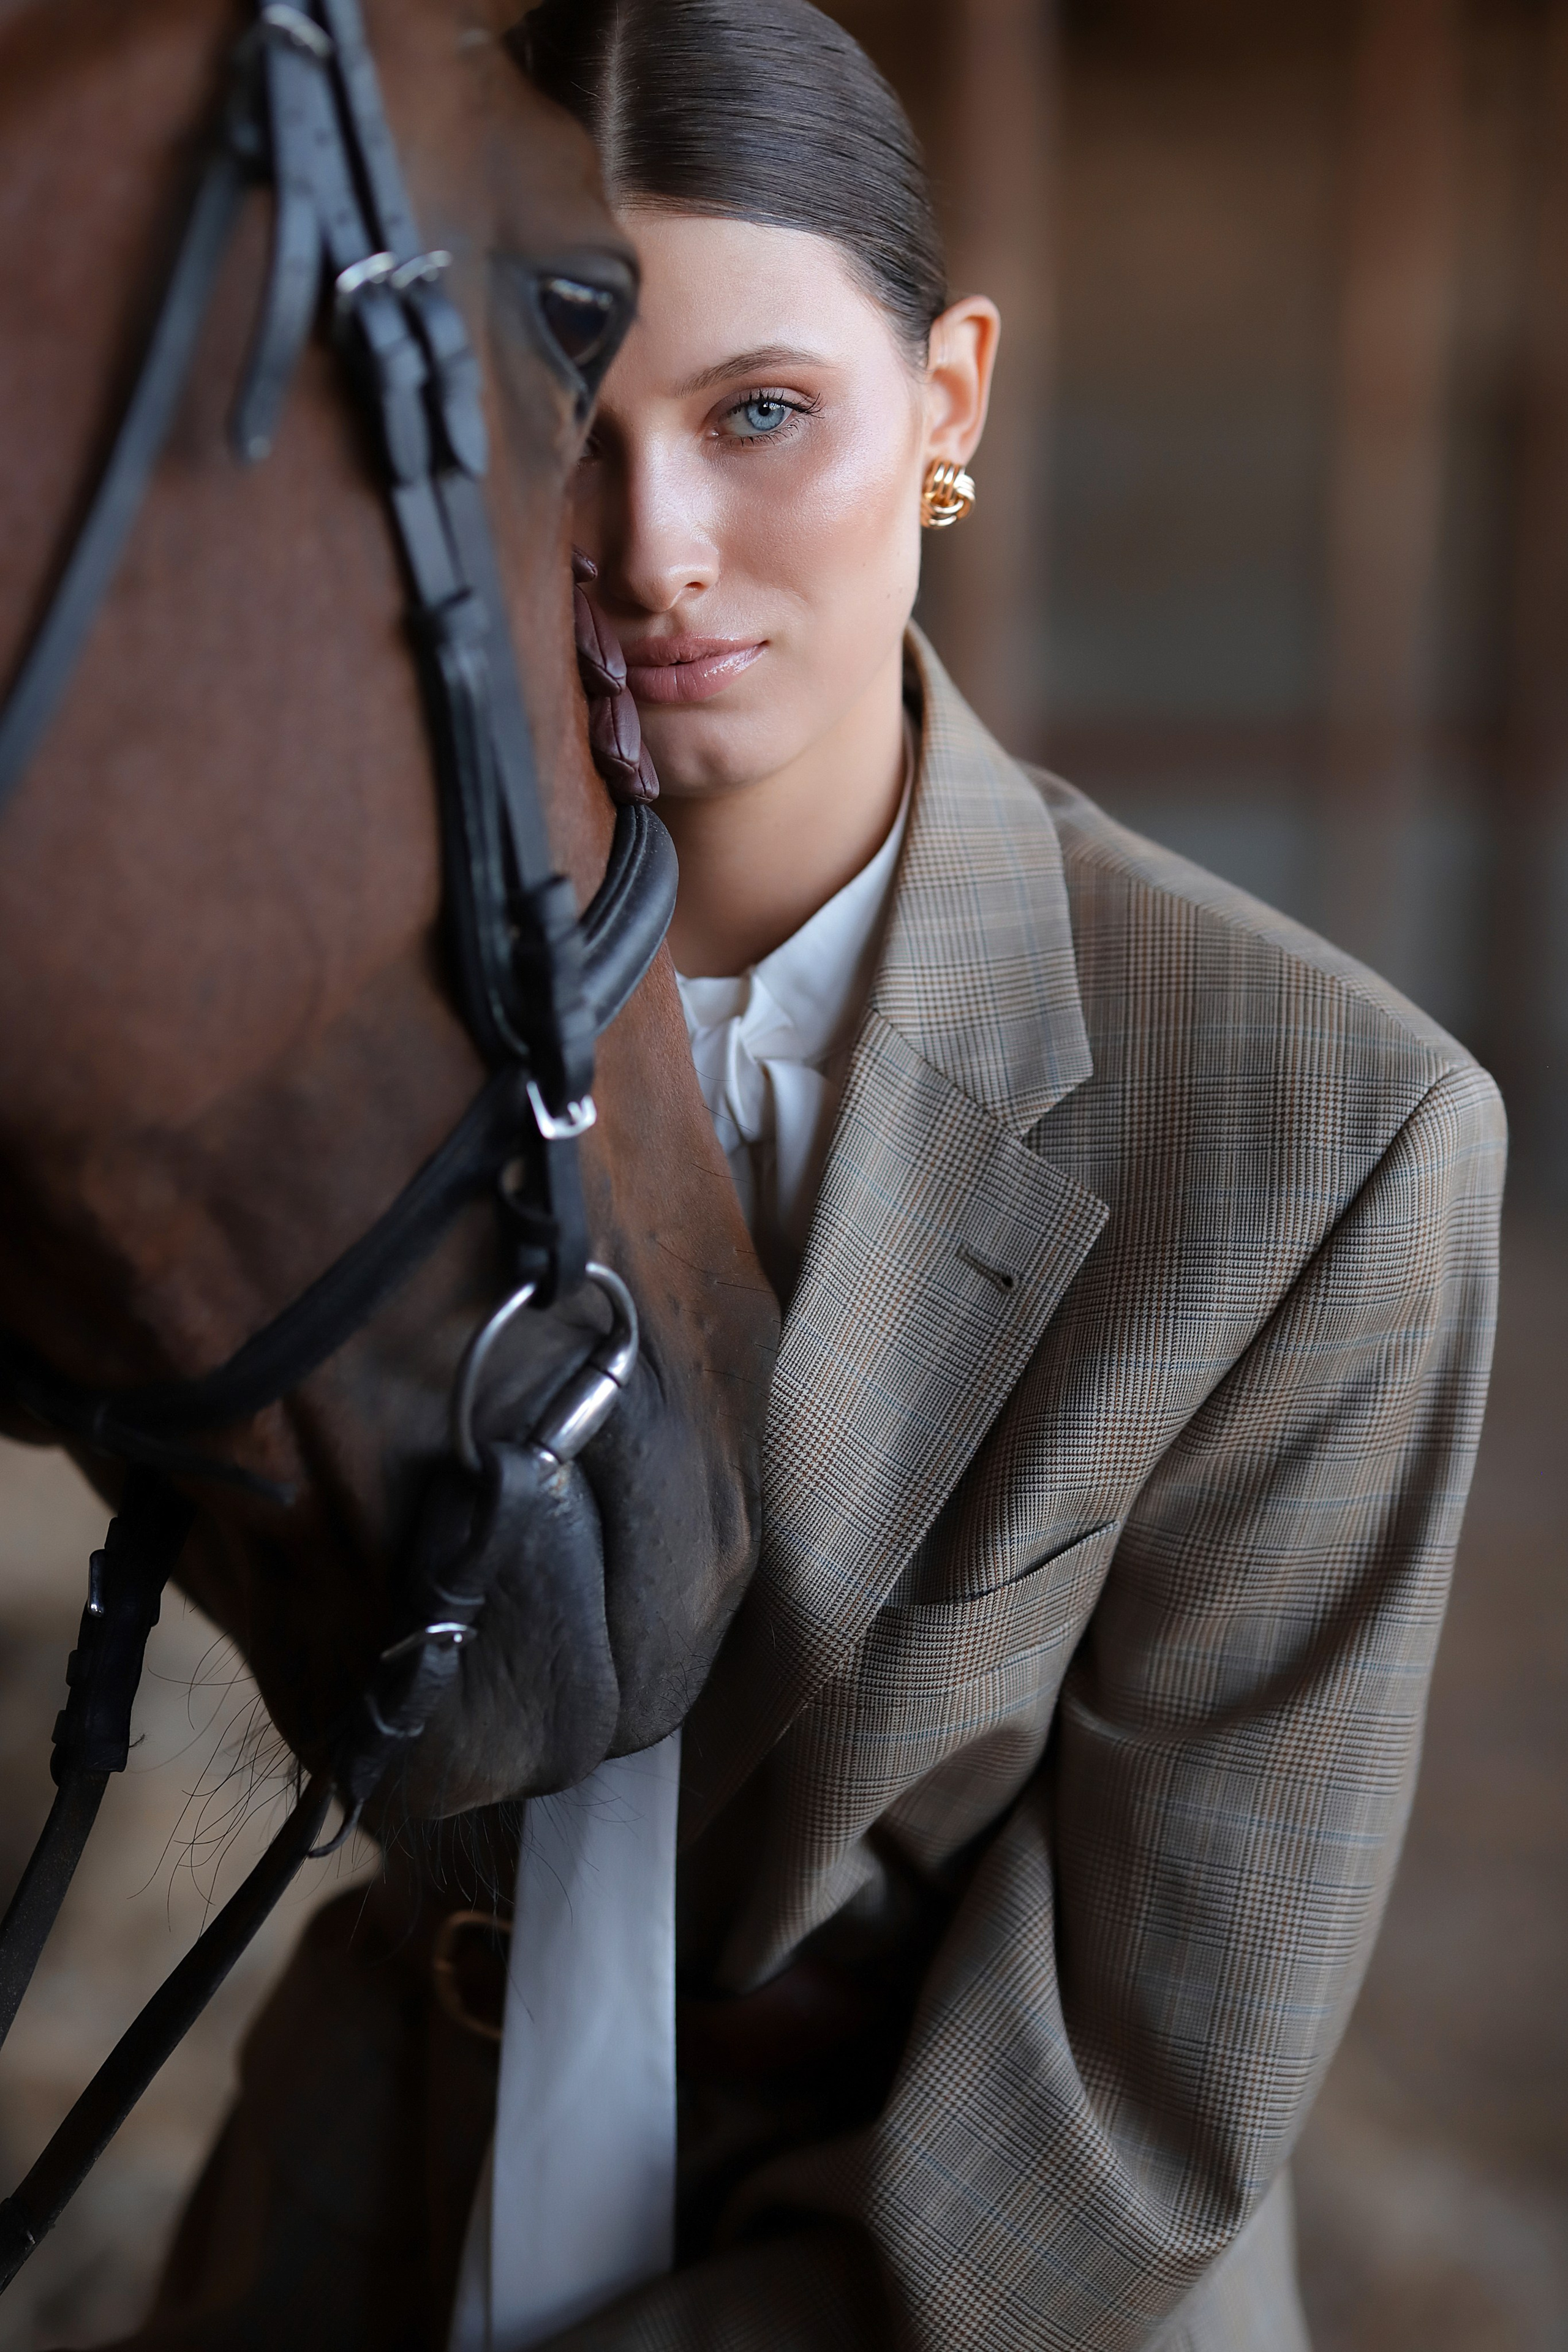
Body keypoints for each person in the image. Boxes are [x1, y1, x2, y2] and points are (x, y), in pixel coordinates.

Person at [486, 2, 1504, 2348]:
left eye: (762, 416)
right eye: (558, 423)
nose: (647, 553)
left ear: (943, 407)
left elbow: (1144, 2095)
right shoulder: (388, 1028)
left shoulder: (1323, 1139)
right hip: (373, 2196)